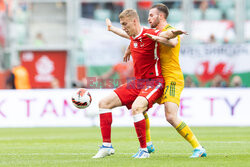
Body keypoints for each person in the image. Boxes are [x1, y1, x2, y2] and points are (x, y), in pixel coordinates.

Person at [108, 3, 207, 158]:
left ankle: (198, 148)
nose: (148, 18)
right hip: (158, 79)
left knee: (170, 116)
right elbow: (133, 35)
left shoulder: (167, 31)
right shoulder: (153, 31)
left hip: (172, 78)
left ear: (160, 16)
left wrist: (163, 36)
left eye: (151, 15)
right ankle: (148, 144)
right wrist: (127, 46)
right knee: (140, 107)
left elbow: (173, 41)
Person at [93, 9, 168, 159]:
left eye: (125, 24)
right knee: (103, 103)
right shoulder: (133, 36)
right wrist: (111, 28)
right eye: (121, 25)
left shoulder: (150, 33)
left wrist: (175, 34)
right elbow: (124, 34)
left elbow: (167, 36)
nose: (123, 27)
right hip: (138, 83)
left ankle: (144, 150)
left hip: (154, 82)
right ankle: (107, 146)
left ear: (134, 21)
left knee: (137, 108)